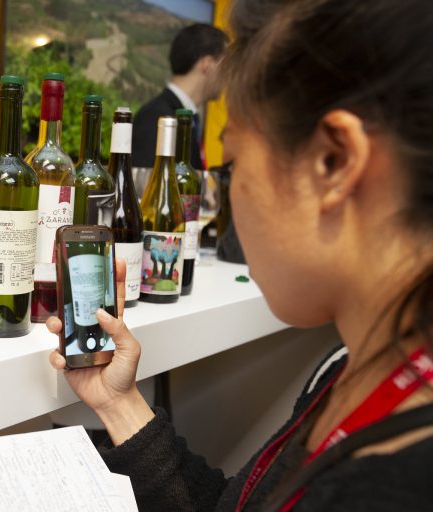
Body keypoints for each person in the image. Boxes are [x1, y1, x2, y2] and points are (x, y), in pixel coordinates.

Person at [47, 0, 433, 510]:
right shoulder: (347, 366)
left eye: (232, 163)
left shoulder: (395, 486)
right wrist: (118, 402)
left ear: (333, 161)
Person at [131, 23, 228, 181]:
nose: (228, 75)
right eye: (225, 65)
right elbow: (144, 189)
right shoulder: (157, 119)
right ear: (208, 64)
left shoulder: (185, 118)